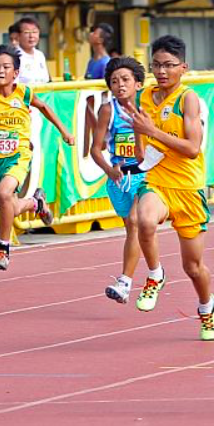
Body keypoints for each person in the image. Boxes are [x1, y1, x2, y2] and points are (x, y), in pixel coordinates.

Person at [126, 35, 214, 341]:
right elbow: (142, 139)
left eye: (169, 65)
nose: (162, 71)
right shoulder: (144, 96)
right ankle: (155, 275)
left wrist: (152, 131)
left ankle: (207, 309)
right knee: (143, 220)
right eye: (156, 64)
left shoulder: (187, 99)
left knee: (193, 267)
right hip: (159, 182)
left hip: (189, 190)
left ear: (184, 67)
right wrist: (142, 152)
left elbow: (193, 148)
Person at [0, 45, 74, 271]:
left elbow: (44, 107)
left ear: (16, 73)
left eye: (5, 67)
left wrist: (64, 130)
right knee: (9, 206)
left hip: (19, 154)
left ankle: (3, 251)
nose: (0, 71)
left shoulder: (24, 93)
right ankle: (36, 203)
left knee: (4, 195)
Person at [90, 57, 146, 304]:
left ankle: (124, 282)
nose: (120, 85)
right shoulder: (107, 110)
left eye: (125, 80)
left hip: (146, 176)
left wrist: (138, 129)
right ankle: (148, 270)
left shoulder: (147, 108)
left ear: (138, 84)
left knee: (135, 223)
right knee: (132, 231)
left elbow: (147, 151)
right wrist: (109, 171)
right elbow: (95, 149)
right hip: (120, 180)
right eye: (114, 81)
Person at [16, 17, 51, 85]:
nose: (31, 36)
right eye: (26, 32)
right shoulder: (13, 56)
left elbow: (47, 80)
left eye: (35, 32)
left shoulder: (40, 55)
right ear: (18, 36)